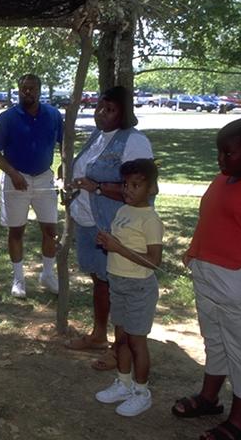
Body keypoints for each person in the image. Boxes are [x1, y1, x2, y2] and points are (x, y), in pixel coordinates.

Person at [65, 86, 154, 372]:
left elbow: (144, 190)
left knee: (118, 287)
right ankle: (99, 335)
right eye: (100, 107)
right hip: (90, 223)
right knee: (100, 281)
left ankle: (120, 350)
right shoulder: (98, 136)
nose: (102, 113)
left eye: (110, 109)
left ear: (125, 113)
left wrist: (100, 188)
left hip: (115, 226)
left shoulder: (134, 141)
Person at [171, 118, 241, 440]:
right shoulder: (221, 180)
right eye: (219, 153)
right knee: (214, 341)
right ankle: (209, 397)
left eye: (228, 153)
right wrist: (194, 250)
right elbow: (210, 221)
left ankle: (239, 420)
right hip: (207, 276)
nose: (221, 159)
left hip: (234, 283)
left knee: (239, 350)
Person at [94, 159, 163, 417]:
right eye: (125, 184)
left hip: (139, 288)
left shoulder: (150, 220)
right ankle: (123, 383)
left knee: (136, 341)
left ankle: (141, 391)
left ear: (152, 189)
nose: (128, 190)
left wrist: (117, 247)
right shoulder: (123, 211)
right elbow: (119, 245)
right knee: (121, 337)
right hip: (118, 282)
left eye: (136, 185)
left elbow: (154, 260)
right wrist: (106, 242)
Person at [0, 73, 63, 298]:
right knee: (16, 230)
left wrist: (64, 167)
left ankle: (47, 274)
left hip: (44, 178)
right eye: (24, 89)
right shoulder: (7, 118)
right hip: (15, 180)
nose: (27, 92)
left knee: (51, 230)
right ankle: (18, 279)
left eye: (32, 88)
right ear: (18, 91)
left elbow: (65, 143)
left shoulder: (53, 115)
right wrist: (12, 173)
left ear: (39, 90)